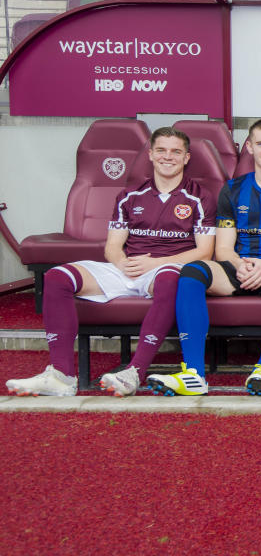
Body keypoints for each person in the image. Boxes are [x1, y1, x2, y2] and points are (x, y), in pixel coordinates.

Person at [6, 127, 215, 397]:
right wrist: (121, 261)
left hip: (166, 267)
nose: (168, 157)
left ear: (186, 158)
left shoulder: (201, 197)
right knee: (57, 277)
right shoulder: (129, 195)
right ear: (150, 154)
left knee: (173, 278)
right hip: (127, 266)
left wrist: (155, 263)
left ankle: (134, 372)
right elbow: (113, 247)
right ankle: (61, 375)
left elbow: (204, 252)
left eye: (176, 152)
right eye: (161, 150)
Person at [146, 118, 261, 397]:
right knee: (192, 271)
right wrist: (240, 264)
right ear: (249, 147)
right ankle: (193, 374)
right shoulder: (232, 189)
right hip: (238, 267)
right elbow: (223, 249)